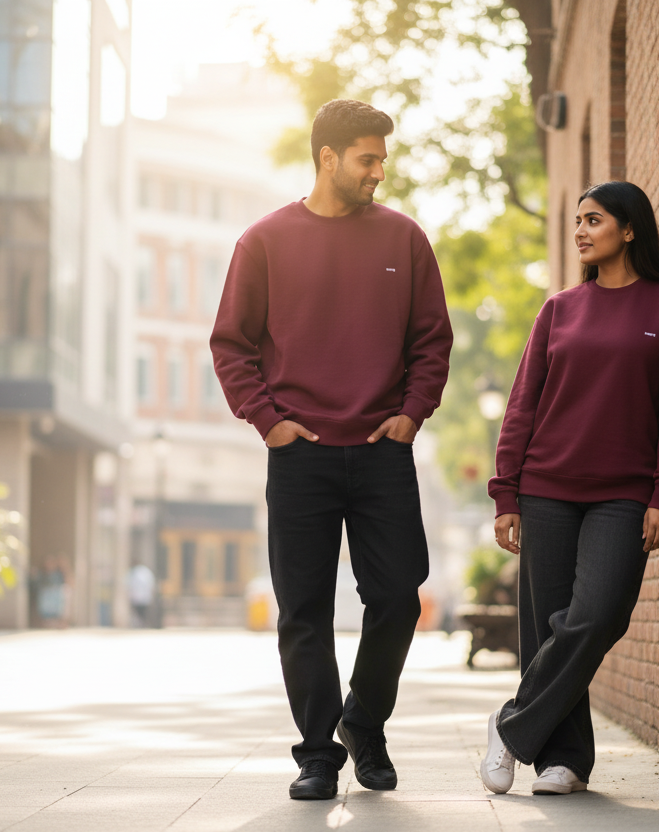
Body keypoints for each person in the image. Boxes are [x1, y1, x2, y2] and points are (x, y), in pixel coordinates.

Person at [211, 99, 453, 800]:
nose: (379, 171)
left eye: (381, 159)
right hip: (300, 455)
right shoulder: (264, 241)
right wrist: (269, 422)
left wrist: (411, 415)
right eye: (367, 159)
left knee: (399, 598)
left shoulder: (405, 239)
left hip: (382, 451)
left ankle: (363, 724)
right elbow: (231, 344)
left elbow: (432, 341)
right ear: (327, 158)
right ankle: (318, 753)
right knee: (303, 610)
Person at [479, 181, 659, 796]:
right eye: (577, 220)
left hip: (624, 492)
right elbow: (523, 405)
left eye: (594, 220)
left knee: (598, 615)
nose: (580, 230)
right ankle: (564, 761)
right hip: (546, 485)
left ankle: (511, 723)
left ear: (629, 229)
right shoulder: (560, 309)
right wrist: (506, 493)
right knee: (549, 630)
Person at [128, 563, 154, 628]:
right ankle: (142, 624)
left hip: (138, 597)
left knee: (140, 613)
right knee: (142, 613)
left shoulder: (135, 572)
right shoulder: (146, 571)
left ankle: (141, 624)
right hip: (143, 597)